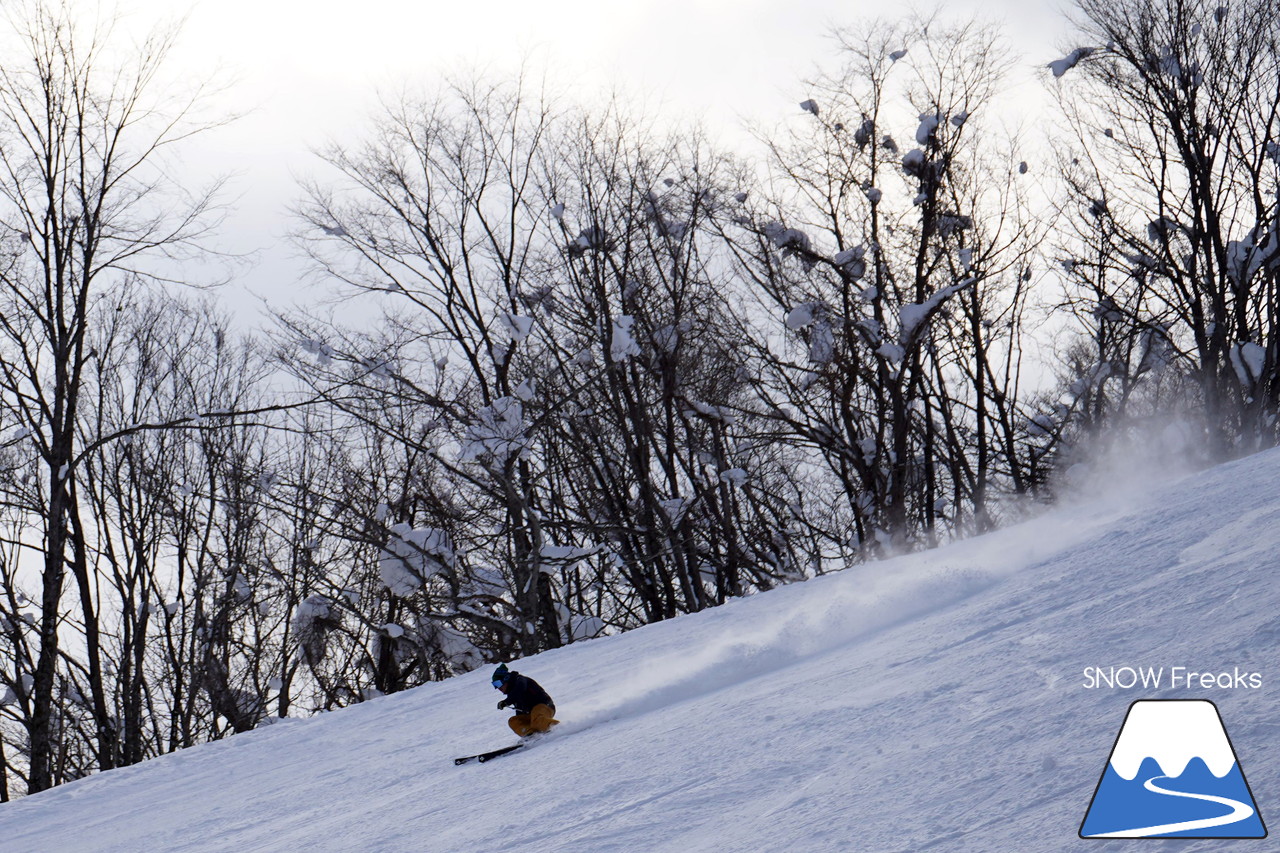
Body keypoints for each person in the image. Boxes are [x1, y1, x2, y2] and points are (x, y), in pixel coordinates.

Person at [492, 663, 558, 737]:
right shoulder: (511, 693)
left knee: (537, 720)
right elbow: (519, 710)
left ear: (506, 679)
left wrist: (506, 702)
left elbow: (519, 690)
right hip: (531, 714)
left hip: (544, 706)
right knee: (513, 721)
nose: (498, 688)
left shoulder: (520, 680)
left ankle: (558, 727)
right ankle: (530, 735)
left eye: (498, 683)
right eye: (494, 685)